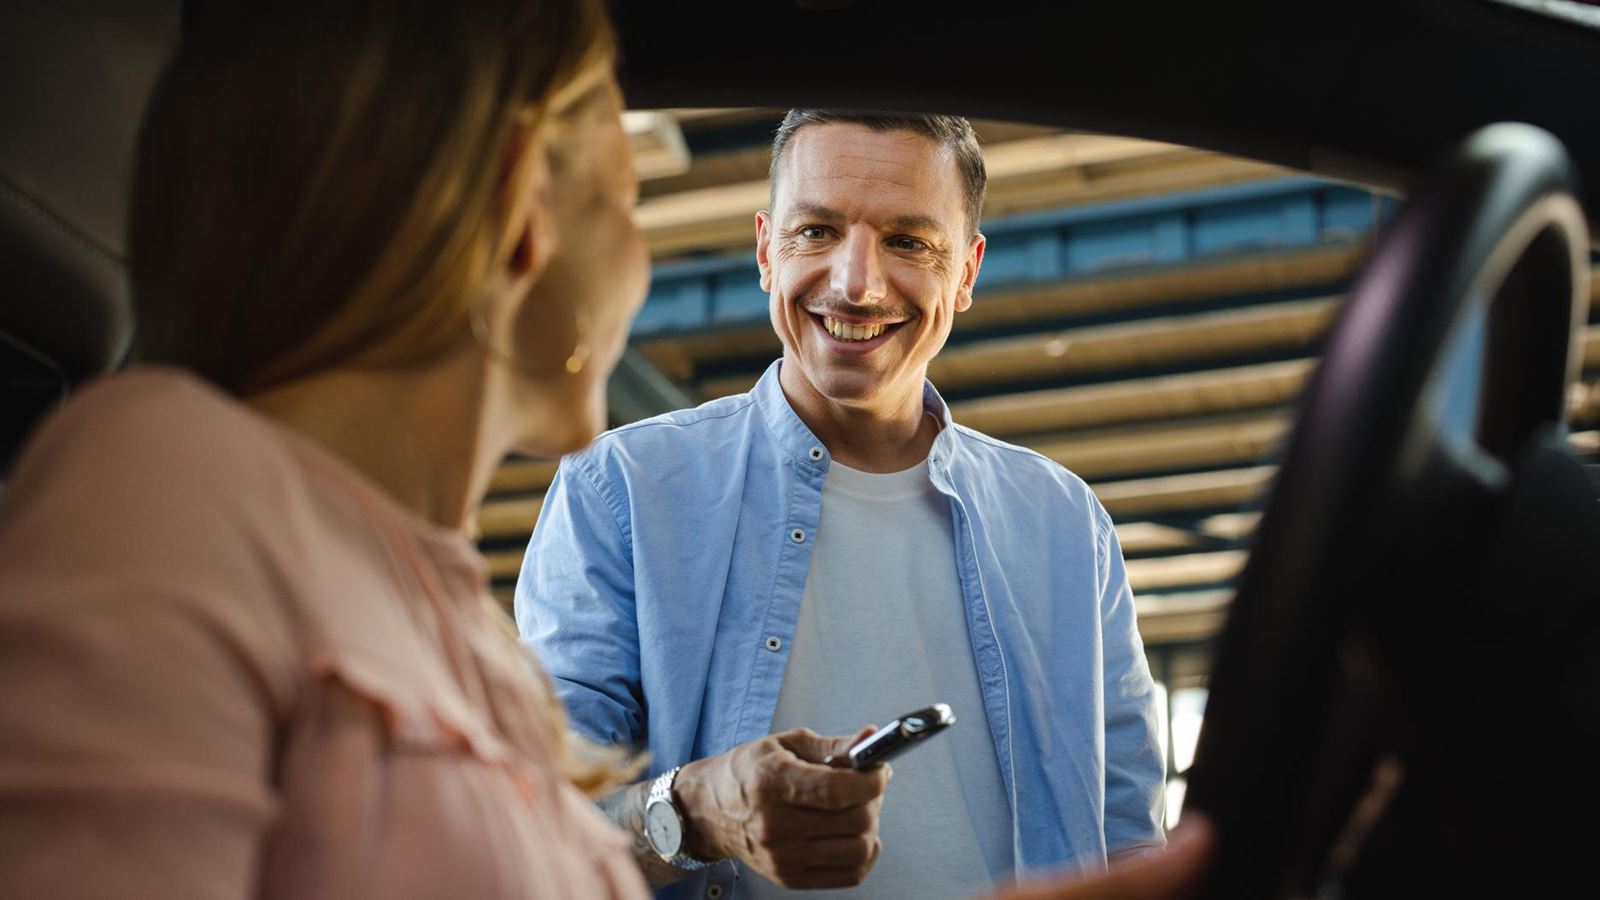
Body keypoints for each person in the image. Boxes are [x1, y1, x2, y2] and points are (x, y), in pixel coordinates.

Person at [0, 1, 657, 896]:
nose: (643, 258)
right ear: (523, 204)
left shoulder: (474, 635)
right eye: (626, 201)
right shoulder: (168, 482)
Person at [518, 110, 1166, 899]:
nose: (856, 284)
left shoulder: (1065, 524)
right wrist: (697, 813)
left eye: (908, 242)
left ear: (965, 272)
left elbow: (1131, 840)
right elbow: (530, 825)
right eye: (817, 231)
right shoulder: (620, 490)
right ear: (765, 249)